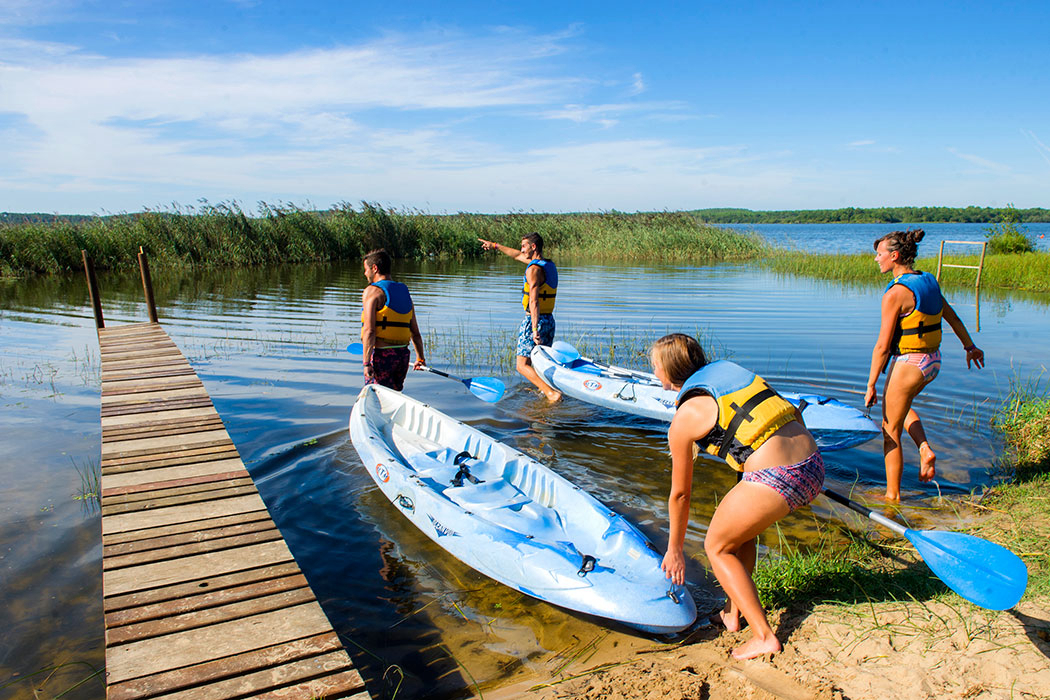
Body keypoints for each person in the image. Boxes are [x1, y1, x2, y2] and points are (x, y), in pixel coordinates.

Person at [650, 333, 823, 660]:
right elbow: (790, 412)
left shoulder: (686, 416)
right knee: (740, 535)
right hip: (812, 463)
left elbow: (681, 494)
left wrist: (674, 550)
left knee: (716, 547)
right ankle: (732, 614)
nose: (654, 371)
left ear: (668, 371)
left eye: (655, 365)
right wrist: (804, 476)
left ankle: (764, 636)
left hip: (778, 475)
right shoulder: (729, 372)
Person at [865, 229, 984, 501]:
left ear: (894, 256)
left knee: (889, 430)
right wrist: (970, 347)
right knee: (899, 408)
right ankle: (924, 449)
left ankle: (892, 498)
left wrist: (871, 384)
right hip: (932, 361)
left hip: (910, 362)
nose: (876, 259)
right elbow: (953, 318)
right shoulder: (928, 281)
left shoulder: (896, 293)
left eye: (880, 254)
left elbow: (882, 346)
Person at [477, 232, 562, 402]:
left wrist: (534, 329)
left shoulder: (533, 270)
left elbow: (534, 301)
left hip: (535, 320)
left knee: (522, 365)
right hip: (549, 321)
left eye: (524, 246)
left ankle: (552, 394)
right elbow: (516, 255)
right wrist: (495, 246)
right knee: (540, 364)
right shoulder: (548, 265)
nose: (521, 250)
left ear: (533, 246)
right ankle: (546, 392)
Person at [360, 248, 426, 391]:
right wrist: (420, 358)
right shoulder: (404, 292)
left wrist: (366, 363)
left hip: (382, 357)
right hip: (402, 357)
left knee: (376, 397)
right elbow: (415, 332)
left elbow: (369, 331)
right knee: (394, 396)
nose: (365, 273)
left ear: (374, 268)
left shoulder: (372, 291)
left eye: (366, 269)